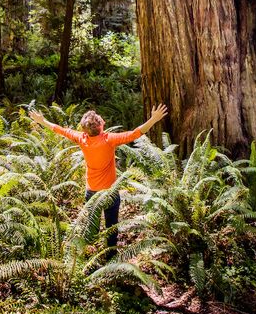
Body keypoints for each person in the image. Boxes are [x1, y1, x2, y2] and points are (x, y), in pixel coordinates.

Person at [29, 104, 168, 257]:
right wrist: (153, 119)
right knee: (111, 226)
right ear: (101, 125)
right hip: (110, 192)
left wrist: (42, 121)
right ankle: (110, 256)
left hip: (91, 191)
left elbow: (60, 130)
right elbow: (135, 133)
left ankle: (90, 255)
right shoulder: (109, 139)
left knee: (92, 226)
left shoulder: (82, 139)